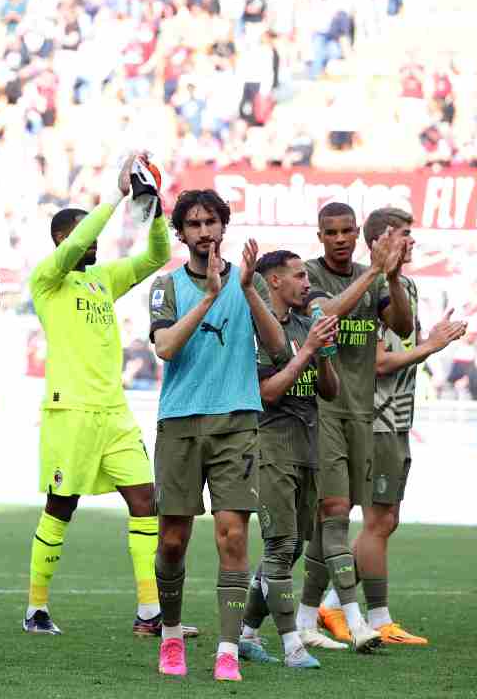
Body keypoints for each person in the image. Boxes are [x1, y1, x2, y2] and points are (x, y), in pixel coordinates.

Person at [22, 151, 188, 638]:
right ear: (62, 240)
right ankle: (35, 608)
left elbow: (156, 257)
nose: (94, 242)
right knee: (61, 506)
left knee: (145, 501)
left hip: (114, 413)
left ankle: (149, 611)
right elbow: (80, 240)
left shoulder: (102, 280)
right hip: (69, 411)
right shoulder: (46, 280)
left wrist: (152, 211)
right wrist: (115, 195)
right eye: (84, 236)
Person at [147, 189, 286, 682]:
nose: (204, 231)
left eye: (211, 222)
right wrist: (208, 296)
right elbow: (165, 347)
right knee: (172, 539)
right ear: (182, 233)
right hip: (180, 423)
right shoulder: (165, 286)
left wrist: (245, 289)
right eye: (194, 224)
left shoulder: (251, 282)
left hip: (236, 423)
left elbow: (278, 347)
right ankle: (170, 636)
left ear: (223, 227)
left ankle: (227, 649)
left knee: (233, 535)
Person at [308, 208, 465, 646]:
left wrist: (396, 284)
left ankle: (329, 604)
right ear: (379, 239)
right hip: (374, 415)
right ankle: (374, 616)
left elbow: (403, 326)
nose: (412, 242)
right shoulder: (360, 282)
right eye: (404, 235)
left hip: (397, 418)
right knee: (368, 518)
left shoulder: (400, 285)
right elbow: (378, 362)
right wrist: (430, 347)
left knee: (384, 518)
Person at [293, 202, 410, 653]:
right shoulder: (309, 274)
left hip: (362, 412)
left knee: (330, 523)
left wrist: (391, 278)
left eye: (347, 231)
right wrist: (374, 273)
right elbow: (324, 317)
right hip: (322, 411)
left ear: (357, 233)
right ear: (320, 236)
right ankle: (356, 619)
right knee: (336, 512)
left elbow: (402, 324)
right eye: (331, 232)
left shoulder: (374, 276)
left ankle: (305, 619)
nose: (340, 239)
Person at [236, 250, 341, 669]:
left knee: (293, 545)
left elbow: (329, 391)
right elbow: (267, 393)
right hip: (271, 445)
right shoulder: (256, 329)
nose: (307, 283)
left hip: (308, 447)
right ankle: (292, 645)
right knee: (280, 545)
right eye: (299, 276)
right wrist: (307, 350)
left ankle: (246, 634)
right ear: (274, 281)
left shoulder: (303, 325)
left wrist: (324, 353)